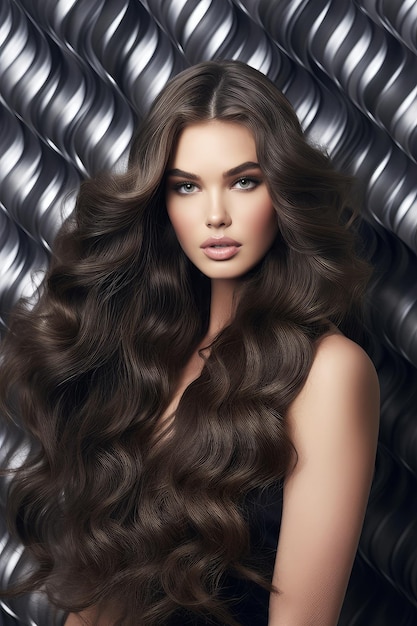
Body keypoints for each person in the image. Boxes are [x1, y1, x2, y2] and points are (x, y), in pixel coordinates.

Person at [0, 60, 379, 626]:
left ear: (284, 191)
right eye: (187, 187)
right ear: (161, 202)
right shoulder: (144, 358)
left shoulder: (328, 373)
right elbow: (102, 597)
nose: (216, 215)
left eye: (244, 181)